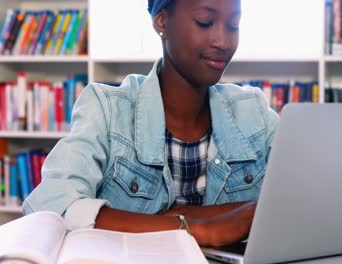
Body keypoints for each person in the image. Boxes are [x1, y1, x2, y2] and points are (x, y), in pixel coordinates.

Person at [23, 0, 279, 247]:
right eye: (205, 22)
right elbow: (52, 206)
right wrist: (197, 229)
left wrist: (208, 214)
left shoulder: (254, 110)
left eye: (234, 25)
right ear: (162, 21)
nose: (223, 41)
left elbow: (302, 199)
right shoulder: (107, 108)